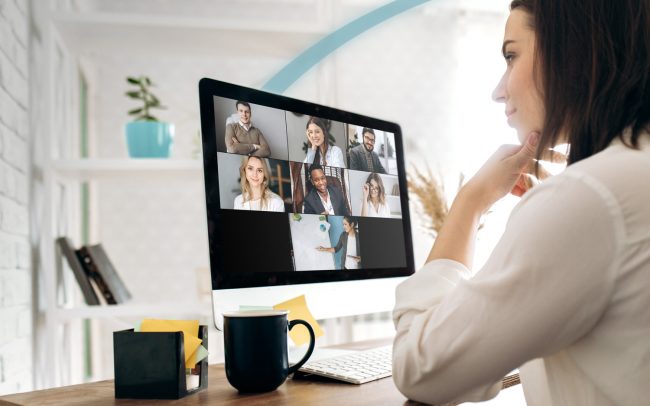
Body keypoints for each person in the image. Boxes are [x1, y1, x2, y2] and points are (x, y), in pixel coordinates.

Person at [392, 1, 650, 405]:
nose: (499, 91)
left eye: (512, 55)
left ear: (572, 49)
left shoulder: (591, 196)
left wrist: (472, 200)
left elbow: (420, 369)